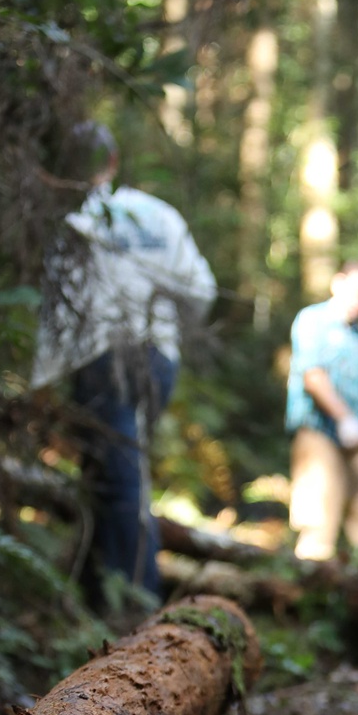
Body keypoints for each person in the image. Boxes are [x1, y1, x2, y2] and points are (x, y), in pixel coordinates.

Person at [31, 122, 216, 613]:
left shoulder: (72, 222)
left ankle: (135, 606)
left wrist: (42, 378)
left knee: (120, 480)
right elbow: (200, 290)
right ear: (112, 163)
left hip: (100, 358)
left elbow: (59, 308)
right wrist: (165, 328)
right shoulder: (157, 215)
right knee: (117, 472)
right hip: (158, 356)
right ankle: (101, 593)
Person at [285, 261, 358, 562]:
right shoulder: (312, 320)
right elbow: (312, 376)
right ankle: (311, 573)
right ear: (338, 283)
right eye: (356, 291)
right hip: (317, 427)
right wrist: (343, 417)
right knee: (318, 509)